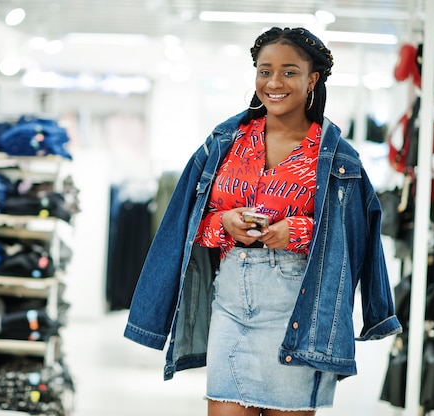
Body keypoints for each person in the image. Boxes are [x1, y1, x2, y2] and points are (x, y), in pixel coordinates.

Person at [124, 26, 402, 416]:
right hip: (231, 302)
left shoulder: (339, 158)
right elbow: (186, 225)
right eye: (264, 70)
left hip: (300, 307)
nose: (274, 82)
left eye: (289, 71)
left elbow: (354, 243)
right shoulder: (225, 141)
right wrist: (224, 223)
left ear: (312, 80)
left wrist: (298, 232)